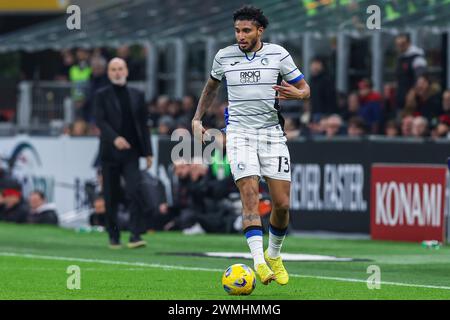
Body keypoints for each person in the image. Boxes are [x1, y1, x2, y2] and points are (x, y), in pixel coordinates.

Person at [192, 6, 310, 286]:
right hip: (239, 134)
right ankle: (258, 262)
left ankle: (273, 255)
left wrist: (299, 94)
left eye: (246, 30)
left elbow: (305, 89)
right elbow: (211, 88)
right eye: (237, 30)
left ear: (260, 31)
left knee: (281, 204)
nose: (240, 36)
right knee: (249, 194)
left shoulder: (278, 54)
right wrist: (197, 118)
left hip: (272, 135)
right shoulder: (224, 57)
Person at [94, 57, 153, 249]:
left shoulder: (137, 94)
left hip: (132, 153)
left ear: (126, 71)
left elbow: (143, 125)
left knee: (134, 190)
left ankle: (135, 235)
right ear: (108, 73)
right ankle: (113, 234)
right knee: (111, 195)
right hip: (110, 153)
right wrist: (114, 138)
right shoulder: (101, 95)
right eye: (113, 69)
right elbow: (101, 122)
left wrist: (148, 152)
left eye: (120, 68)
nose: (117, 72)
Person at [395, 33, 427, 109]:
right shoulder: (401, 58)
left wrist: (413, 92)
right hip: (402, 97)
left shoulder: (417, 57)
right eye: (398, 45)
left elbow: (420, 78)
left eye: (402, 44)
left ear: (408, 43)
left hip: (413, 100)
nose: (399, 47)